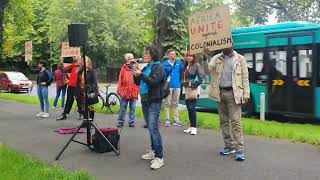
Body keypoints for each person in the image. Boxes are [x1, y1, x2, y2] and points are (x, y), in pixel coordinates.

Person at [204, 46, 250, 161]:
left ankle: (239, 149)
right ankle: (229, 146)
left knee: (236, 121)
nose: (226, 46)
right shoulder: (216, 58)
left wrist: (246, 94)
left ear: (232, 44)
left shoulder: (240, 58)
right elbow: (207, 70)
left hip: (234, 94)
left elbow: (245, 77)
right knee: (223, 121)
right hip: (220, 93)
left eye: (228, 43)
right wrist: (206, 57)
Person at [133, 45, 166, 170]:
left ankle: (159, 157)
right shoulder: (146, 67)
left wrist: (141, 75)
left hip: (154, 101)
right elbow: (138, 82)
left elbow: (153, 82)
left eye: (146, 53)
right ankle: (153, 151)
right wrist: (135, 73)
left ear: (152, 54)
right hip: (145, 101)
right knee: (151, 127)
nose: (144, 55)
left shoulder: (158, 67)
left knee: (153, 128)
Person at [182, 51, 204, 135]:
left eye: (190, 56)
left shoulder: (196, 65)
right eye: (187, 56)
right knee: (188, 108)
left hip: (193, 89)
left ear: (193, 57)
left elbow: (201, 77)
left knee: (192, 108)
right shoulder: (185, 66)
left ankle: (194, 127)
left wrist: (195, 85)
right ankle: (191, 126)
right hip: (186, 89)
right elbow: (183, 77)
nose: (188, 57)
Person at [116, 53, 140, 128]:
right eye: (128, 58)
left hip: (133, 90)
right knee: (123, 107)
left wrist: (138, 89)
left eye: (131, 58)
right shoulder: (123, 68)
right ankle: (120, 121)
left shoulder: (136, 67)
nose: (130, 59)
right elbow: (120, 79)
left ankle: (131, 122)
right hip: (125, 91)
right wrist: (119, 89)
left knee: (133, 108)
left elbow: (139, 79)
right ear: (126, 59)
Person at [162, 49, 184, 127]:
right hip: (168, 86)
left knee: (176, 103)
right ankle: (167, 119)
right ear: (168, 55)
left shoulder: (179, 63)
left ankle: (176, 120)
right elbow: (162, 75)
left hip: (177, 85)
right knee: (167, 103)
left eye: (174, 54)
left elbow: (183, 71)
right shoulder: (164, 64)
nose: (173, 56)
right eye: (171, 54)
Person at [56, 56, 82, 121]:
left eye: (75, 57)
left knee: (79, 100)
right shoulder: (72, 66)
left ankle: (82, 114)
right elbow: (63, 70)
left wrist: (79, 63)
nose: (73, 58)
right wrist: (61, 62)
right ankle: (64, 114)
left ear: (79, 58)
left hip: (78, 86)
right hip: (70, 86)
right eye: (73, 57)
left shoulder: (81, 66)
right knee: (69, 101)